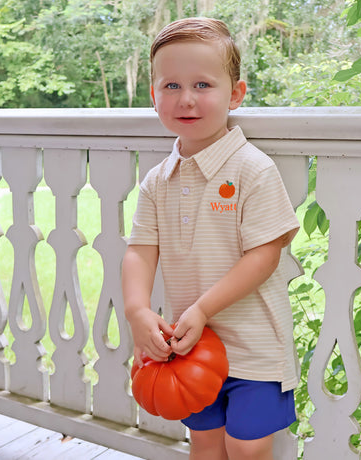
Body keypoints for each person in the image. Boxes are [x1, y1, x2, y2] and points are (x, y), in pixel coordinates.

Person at [122, 17, 300, 460]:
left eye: (203, 84)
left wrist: (203, 308)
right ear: (153, 95)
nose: (186, 99)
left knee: (247, 447)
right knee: (203, 441)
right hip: (187, 348)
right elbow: (140, 252)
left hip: (254, 347)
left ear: (235, 93)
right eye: (171, 86)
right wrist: (137, 310)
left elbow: (264, 255)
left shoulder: (251, 170)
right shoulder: (157, 181)